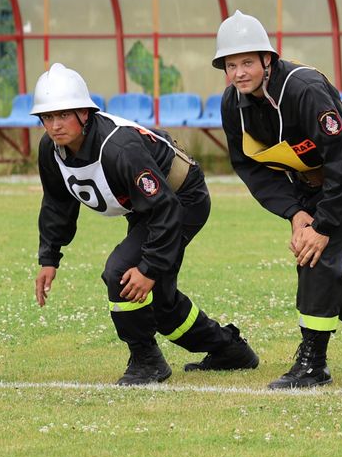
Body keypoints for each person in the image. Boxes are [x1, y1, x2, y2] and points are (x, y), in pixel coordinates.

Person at [214, 11, 342, 389]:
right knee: (317, 261)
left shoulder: (304, 88)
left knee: (317, 258)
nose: (239, 72)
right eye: (231, 65)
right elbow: (251, 168)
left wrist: (323, 225)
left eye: (247, 62)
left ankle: (313, 365)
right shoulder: (233, 104)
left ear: (268, 60)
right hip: (307, 186)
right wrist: (296, 214)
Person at [30, 62, 258, 385]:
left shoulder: (119, 148)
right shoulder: (51, 150)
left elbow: (165, 208)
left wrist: (149, 266)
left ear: (84, 113)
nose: (55, 125)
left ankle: (146, 361)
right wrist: (49, 257)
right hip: (149, 207)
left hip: (182, 200)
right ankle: (229, 350)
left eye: (63, 114)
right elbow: (57, 202)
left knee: (122, 273)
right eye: (47, 117)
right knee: (163, 305)